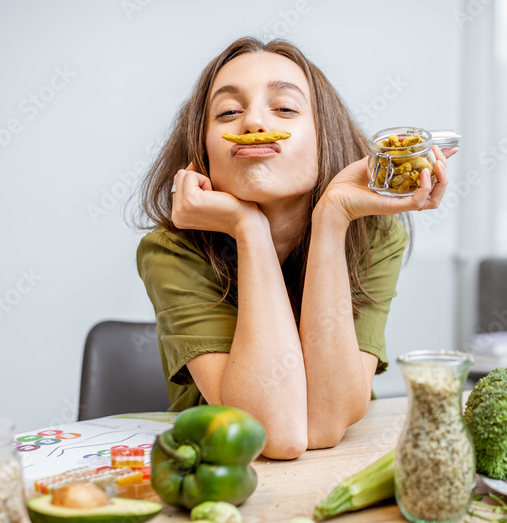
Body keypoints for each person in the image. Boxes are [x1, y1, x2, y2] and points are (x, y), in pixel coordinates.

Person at [135, 38, 456, 460]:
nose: (253, 122)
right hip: (227, 478)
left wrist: (333, 218)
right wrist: (248, 229)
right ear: (202, 151)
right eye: (228, 112)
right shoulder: (170, 252)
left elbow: (324, 424)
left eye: (284, 108)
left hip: (341, 467)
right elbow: (273, 433)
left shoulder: (376, 236)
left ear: (326, 139)